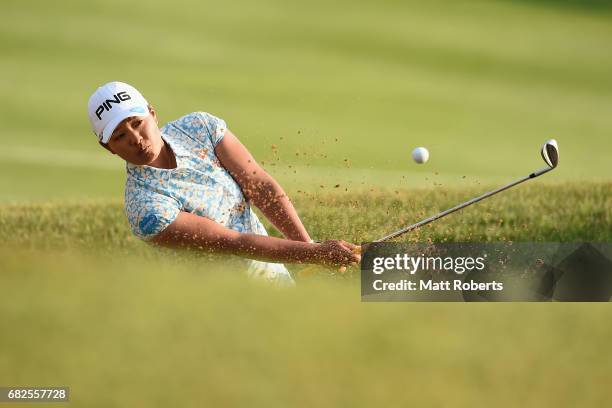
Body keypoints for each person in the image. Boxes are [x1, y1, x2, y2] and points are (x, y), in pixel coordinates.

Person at [87, 81, 360, 285]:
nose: (135, 138)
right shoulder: (146, 208)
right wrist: (313, 254)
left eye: (137, 122)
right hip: (224, 307)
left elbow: (258, 185)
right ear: (108, 147)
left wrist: (308, 246)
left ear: (152, 113)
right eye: (120, 135)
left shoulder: (198, 128)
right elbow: (235, 242)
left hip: (276, 281)